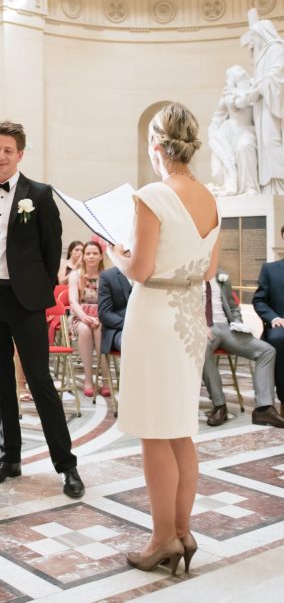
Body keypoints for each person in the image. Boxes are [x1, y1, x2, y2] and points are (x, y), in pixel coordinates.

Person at [108, 102, 220, 575]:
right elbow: (211, 270)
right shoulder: (211, 198)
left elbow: (140, 270)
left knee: (155, 431)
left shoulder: (152, 194)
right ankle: (182, 530)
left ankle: (161, 540)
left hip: (155, 316)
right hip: (190, 316)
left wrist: (114, 252)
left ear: (156, 146)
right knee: (180, 429)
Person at [0, 120, 84, 498]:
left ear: (19, 154)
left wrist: (39, 289)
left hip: (26, 301)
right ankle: (9, 457)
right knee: (0, 386)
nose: (0, 156)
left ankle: (66, 466)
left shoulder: (40, 194)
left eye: (7, 150)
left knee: (40, 382)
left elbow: (53, 248)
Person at [202, 271, 283, 428]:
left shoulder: (221, 276)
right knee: (201, 349)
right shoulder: (187, 276)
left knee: (267, 350)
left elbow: (233, 306)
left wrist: (237, 323)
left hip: (228, 328)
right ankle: (220, 406)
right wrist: (198, 324)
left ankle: (264, 409)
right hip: (204, 328)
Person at [240, 9, 284, 193]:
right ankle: (268, 186)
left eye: (254, 37)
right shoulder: (262, 55)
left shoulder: (276, 49)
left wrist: (257, 89)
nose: (253, 41)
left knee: (271, 140)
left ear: (261, 34)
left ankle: (278, 183)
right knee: (264, 143)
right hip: (262, 106)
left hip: (272, 104)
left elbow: (277, 76)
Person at [207, 65, 259, 196]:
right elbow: (219, 116)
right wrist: (214, 134)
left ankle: (250, 187)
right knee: (217, 171)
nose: (228, 79)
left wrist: (251, 96)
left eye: (230, 76)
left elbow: (242, 103)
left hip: (245, 131)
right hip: (227, 134)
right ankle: (229, 186)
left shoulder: (254, 89)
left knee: (245, 146)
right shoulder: (228, 95)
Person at [68, 241, 106, 397]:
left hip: (101, 316)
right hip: (80, 317)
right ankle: (88, 379)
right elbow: (73, 301)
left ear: (101, 256)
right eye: (88, 253)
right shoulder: (75, 275)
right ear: (83, 257)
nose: (91, 256)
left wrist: (98, 318)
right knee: (84, 331)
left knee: (100, 331)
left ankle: (106, 379)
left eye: (95, 253)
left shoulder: (106, 276)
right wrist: (85, 317)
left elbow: (109, 301)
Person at [253, 227, 284, 417]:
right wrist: (273, 318)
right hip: (280, 324)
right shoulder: (270, 270)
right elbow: (259, 300)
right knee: (279, 340)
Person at [98, 265, 132, 354]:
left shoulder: (154, 273)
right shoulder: (108, 276)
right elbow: (104, 314)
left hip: (150, 329)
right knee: (132, 343)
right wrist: (129, 325)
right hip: (119, 330)